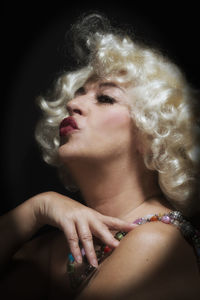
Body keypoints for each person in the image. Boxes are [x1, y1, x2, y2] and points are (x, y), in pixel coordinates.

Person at [0, 12, 200, 300]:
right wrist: (35, 209)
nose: (72, 103)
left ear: (152, 134)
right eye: (78, 94)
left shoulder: (156, 242)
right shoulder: (53, 247)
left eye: (105, 98)